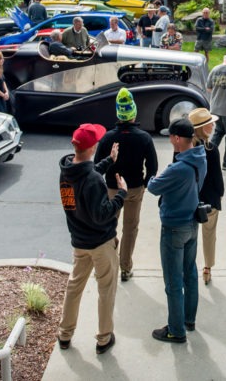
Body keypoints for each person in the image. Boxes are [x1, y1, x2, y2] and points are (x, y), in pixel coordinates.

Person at [56, 123, 127, 355]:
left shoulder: (66, 172)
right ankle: (104, 338)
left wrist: (109, 161)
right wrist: (122, 194)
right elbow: (102, 214)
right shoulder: (94, 180)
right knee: (106, 290)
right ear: (93, 146)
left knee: (74, 287)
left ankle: (65, 334)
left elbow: (85, 175)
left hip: (79, 242)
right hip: (100, 244)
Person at [146, 118, 206, 344]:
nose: (169, 139)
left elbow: (153, 187)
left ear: (178, 139)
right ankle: (189, 319)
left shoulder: (178, 168)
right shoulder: (200, 159)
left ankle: (176, 330)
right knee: (190, 273)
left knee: (173, 282)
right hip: (192, 223)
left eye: (171, 136)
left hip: (174, 227)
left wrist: (157, 174)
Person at [95, 89, 158, 282]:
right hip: (134, 188)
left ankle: (111, 261)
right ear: (134, 113)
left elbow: (97, 164)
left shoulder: (107, 138)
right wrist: (145, 183)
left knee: (109, 226)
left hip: (113, 188)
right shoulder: (144, 138)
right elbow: (153, 166)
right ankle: (125, 266)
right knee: (130, 228)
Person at [187, 108, 225, 285]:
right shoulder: (212, 149)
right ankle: (207, 268)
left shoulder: (184, 149)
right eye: (210, 123)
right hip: (209, 200)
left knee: (190, 236)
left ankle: (189, 266)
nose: (213, 125)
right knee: (209, 235)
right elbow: (217, 177)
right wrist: (220, 194)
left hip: (189, 199)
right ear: (203, 128)